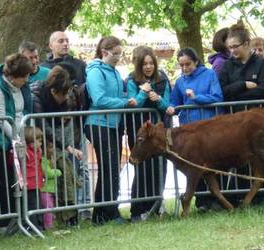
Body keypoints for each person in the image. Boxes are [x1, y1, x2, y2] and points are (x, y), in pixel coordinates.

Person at [218, 22, 264, 206]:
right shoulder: (227, 66)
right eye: (229, 47)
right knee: (238, 157)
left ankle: (261, 195)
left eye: (235, 46)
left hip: (256, 120)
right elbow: (223, 91)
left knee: (258, 156)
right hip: (234, 121)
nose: (232, 50)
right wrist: (243, 85)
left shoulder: (260, 63)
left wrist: (239, 92)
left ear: (246, 44)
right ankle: (239, 194)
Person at [166, 47, 223, 211]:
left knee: (212, 163)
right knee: (193, 166)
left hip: (208, 129)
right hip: (188, 130)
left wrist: (196, 97)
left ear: (196, 61)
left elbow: (217, 96)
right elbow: (174, 100)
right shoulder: (180, 81)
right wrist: (171, 107)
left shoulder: (210, 74)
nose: (185, 69)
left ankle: (216, 199)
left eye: (188, 64)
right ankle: (201, 202)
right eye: (181, 65)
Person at [84, 36, 133, 225]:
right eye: (115, 54)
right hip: (99, 123)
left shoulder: (114, 71)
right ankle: (108, 212)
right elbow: (99, 99)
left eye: (121, 54)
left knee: (111, 169)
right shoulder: (96, 72)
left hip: (113, 124)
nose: (118, 57)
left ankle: (101, 214)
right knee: (109, 169)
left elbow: (117, 95)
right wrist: (124, 103)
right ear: (104, 53)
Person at [30, 65, 82, 225]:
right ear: (53, 91)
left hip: (58, 144)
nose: (66, 97)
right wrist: (66, 147)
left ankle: (69, 216)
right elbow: (43, 126)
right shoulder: (36, 96)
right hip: (40, 143)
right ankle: (48, 219)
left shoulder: (67, 98)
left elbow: (64, 122)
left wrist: (67, 146)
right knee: (50, 184)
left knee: (66, 176)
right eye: (63, 94)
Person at [127, 47, 171, 222]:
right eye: (144, 64)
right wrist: (143, 92)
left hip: (159, 132)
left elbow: (167, 105)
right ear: (139, 65)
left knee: (161, 167)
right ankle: (138, 210)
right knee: (142, 169)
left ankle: (157, 205)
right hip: (140, 132)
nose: (148, 67)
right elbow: (134, 103)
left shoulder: (162, 79)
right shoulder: (132, 80)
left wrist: (158, 100)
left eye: (151, 63)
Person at [0, 53, 33, 227]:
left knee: (14, 181)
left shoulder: (21, 87)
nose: (27, 79)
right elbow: (2, 121)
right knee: (4, 181)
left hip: (15, 139)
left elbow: (21, 114)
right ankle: (2, 222)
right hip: (0, 142)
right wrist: (17, 140)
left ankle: (14, 219)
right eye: (24, 77)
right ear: (13, 76)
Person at [24, 127, 43, 229]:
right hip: (29, 184)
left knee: (38, 205)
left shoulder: (38, 151)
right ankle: (33, 227)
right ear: (30, 141)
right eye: (39, 141)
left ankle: (39, 225)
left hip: (37, 183)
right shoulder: (25, 152)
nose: (41, 144)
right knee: (32, 205)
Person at [41, 138, 62, 230]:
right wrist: (58, 171)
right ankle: (48, 226)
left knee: (51, 207)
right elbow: (48, 173)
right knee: (48, 208)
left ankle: (51, 224)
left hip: (50, 189)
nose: (53, 149)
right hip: (44, 189)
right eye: (50, 147)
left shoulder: (50, 160)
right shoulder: (43, 160)